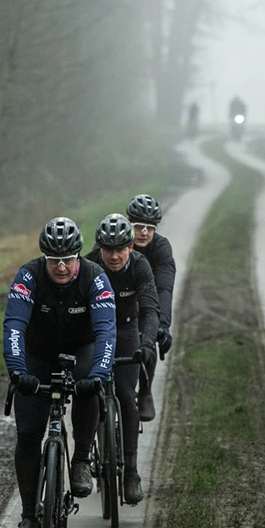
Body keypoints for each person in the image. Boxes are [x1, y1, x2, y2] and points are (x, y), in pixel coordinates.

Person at [3, 217, 116, 528]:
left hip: (80, 350)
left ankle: (80, 458)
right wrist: (18, 370)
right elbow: (13, 325)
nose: (62, 267)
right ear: (45, 259)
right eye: (55, 261)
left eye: (68, 260)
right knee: (28, 434)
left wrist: (98, 373)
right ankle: (28, 518)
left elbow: (106, 332)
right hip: (38, 356)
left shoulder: (96, 278)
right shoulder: (29, 276)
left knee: (88, 385)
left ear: (79, 257)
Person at [85, 212, 160, 505]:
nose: (114, 256)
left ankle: (131, 472)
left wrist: (147, 343)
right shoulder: (88, 265)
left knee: (127, 395)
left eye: (120, 249)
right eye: (108, 250)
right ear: (99, 249)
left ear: (131, 247)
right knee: (91, 392)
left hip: (127, 327)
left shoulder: (141, 266)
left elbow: (151, 310)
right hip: (94, 331)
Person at [126, 194, 176, 420]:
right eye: (138, 226)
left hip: (147, 300)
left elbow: (164, 288)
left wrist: (163, 325)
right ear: (129, 225)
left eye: (149, 227)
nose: (143, 232)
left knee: (150, 326)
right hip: (116, 300)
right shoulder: (110, 241)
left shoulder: (161, 248)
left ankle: (145, 390)